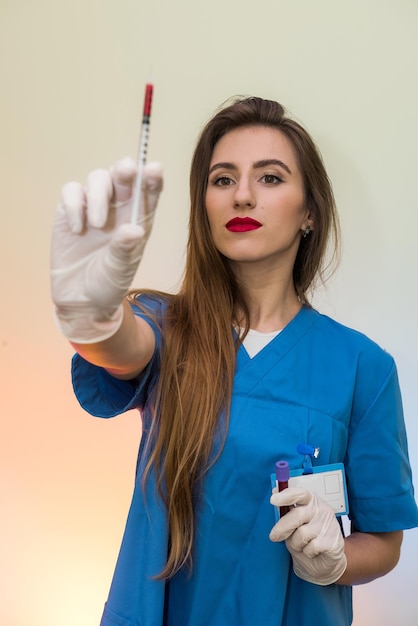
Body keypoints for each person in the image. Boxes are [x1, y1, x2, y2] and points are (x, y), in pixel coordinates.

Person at [50, 96, 418, 626]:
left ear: (309, 212)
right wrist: (91, 316)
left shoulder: (363, 367)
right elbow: (120, 348)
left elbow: (384, 543)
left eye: (269, 178)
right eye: (222, 180)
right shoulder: (166, 326)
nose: (242, 195)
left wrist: (333, 561)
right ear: (204, 205)